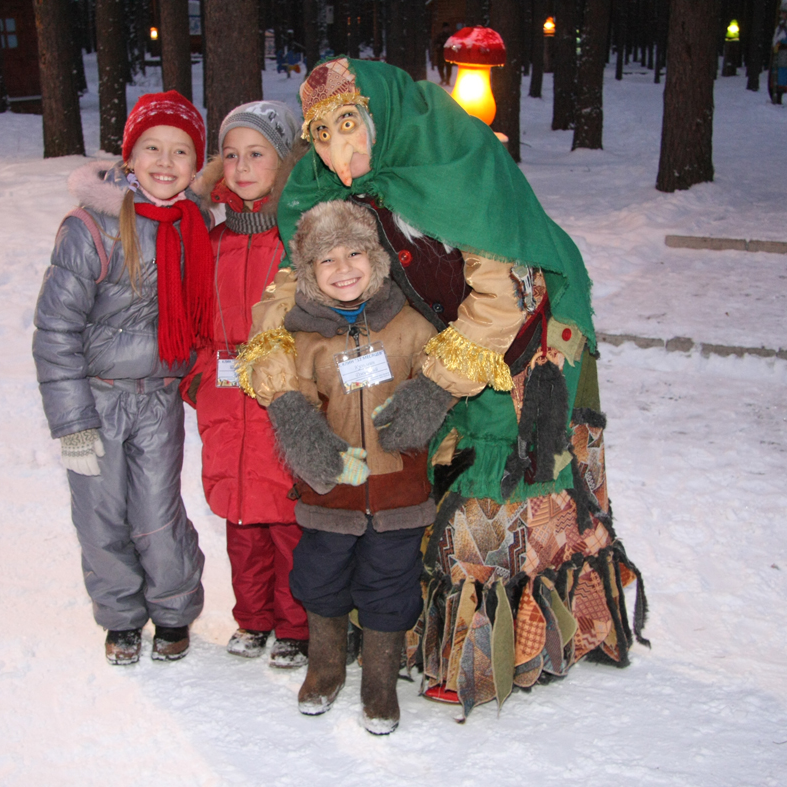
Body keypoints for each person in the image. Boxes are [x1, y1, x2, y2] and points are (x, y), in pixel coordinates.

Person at [238, 58, 647, 718]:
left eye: (349, 124)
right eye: (319, 134)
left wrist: (432, 390)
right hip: (432, 339)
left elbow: (507, 291)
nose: (337, 152)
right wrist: (287, 400)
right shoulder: (327, 189)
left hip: (528, 336)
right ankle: (403, 639)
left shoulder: (452, 156)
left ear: (380, 116)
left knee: (496, 483)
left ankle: (498, 650)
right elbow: (288, 296)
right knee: (419, 482)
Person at [32, 91, 212, 666]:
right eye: (152, 148)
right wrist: (72, 423)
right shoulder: (93, 229)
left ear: (195, 164)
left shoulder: (194, 225)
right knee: (100, 513)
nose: (166, 161)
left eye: (181, 151)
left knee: (158, 512)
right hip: (98, 399)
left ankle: (175, 609)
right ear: (130, 157)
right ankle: (121, 616)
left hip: (159, 400)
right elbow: (55, 330)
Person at [265, 199, 437, 736]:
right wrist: (316, 452)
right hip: (331, 492)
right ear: (309, 273)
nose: (344, 270)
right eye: (327, 260)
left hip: (397, 490)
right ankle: (325, 667)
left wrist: (426, 404)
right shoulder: (304, 336)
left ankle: (380, 680)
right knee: (321, 578)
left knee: (391, 583)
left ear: (377, 257)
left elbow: (442, 378)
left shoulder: (411, 324)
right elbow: (293, 396)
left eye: (355, 253)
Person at [184, 101, 310, 668]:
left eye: (256, 153)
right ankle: (253, 618)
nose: (241, 166)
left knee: (287, 521)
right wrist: (198, 382)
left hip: (281, 401)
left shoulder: (298, 238)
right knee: (239, 519)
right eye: (230, 155)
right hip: (225, 401)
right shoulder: (210, 241)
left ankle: (295, 625)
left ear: (284, 161)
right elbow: (188, 321)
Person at [769, 0, 787, 105]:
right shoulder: (783, 25)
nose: (781, 15)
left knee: (781, 76)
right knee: (776, 75)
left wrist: (779, 42)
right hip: (780, 56)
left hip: (783, 56)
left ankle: (778, 96)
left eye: (783, 12)